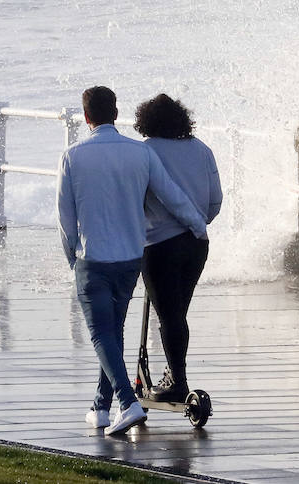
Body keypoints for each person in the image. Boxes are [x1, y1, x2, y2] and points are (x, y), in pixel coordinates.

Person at [57, 86, 208, 437]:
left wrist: (71, 259)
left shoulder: (73, 156)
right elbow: (172, 196)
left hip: (93, 257)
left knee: (100, 333)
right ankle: (100, 405)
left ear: (86, 117)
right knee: (112, 332)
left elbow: (65, 219)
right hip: (129, 259)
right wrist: (198, 227)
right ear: (116, 112)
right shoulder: (139, 153)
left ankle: (127, 403)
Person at [134, 93, 223, 403]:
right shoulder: (203, 150)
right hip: (197, 244)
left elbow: (137, 197)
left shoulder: (144, 151)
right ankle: (174, 374)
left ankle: (178, 381)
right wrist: (198, 221)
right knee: (177, 313)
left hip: (158, 244)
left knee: (169, 315)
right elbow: (215, 201)